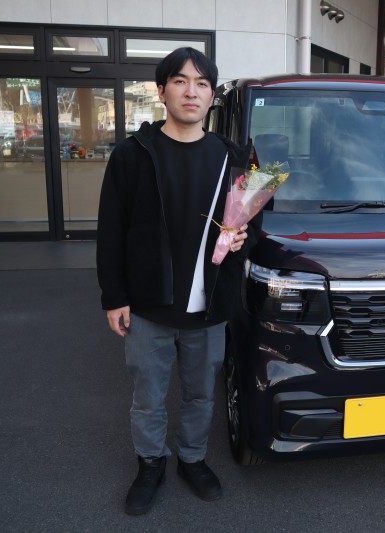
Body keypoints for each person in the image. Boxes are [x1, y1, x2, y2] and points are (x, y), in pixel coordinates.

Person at [96, 47, 255, 516]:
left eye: (202, 83)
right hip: (149, 306)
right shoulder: (132, 155)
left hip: (208, 307)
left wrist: (241, 236)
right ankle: (150, 464)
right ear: (162, 90)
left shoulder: (231, 158)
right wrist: (114, 297)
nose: (191, 91)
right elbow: (111, 231)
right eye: (181, 81)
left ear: (211, 95)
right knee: (147, 397)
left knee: (201, 393)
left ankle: (192, 459)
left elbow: (249, 222)